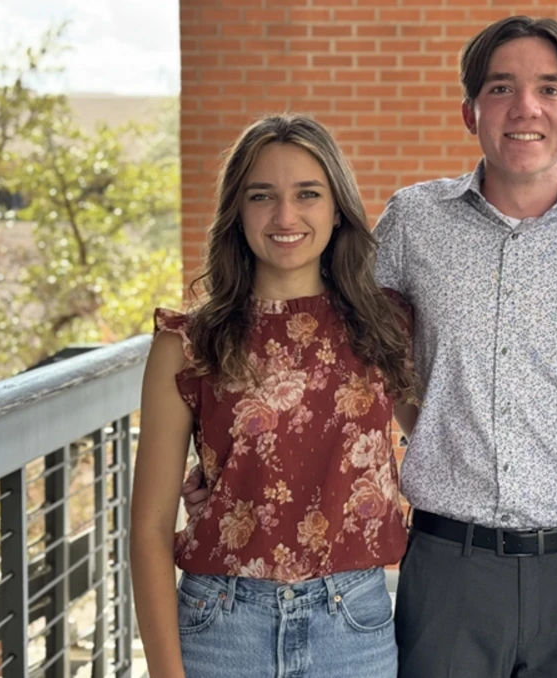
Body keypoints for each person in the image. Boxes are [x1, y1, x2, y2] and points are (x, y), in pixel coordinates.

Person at [183, 16, 557, 677]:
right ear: (469, 111)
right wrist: (234, 469)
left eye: (550, 89)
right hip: (450, 566)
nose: (525, 108)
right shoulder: (413, 223)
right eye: (501, 88)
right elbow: (326, 342)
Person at [130, 113, 418, 678]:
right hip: (220, 626)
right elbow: (148, 528)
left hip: (353, 625)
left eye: (307, 194)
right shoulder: (187, 344)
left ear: (337, 210)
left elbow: (442, 436)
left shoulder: (386, 326)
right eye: (263, 196)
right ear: (237, 212)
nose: (286, 216)